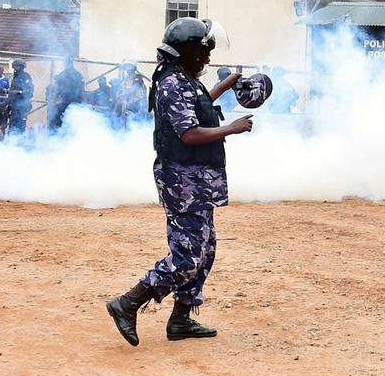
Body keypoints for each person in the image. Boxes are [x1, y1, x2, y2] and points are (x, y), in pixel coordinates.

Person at [106, 18, 254, 346]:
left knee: (206, 250)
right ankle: (127, 303)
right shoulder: (172, 82)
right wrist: (232, 127)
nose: (207, 60)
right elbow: (188, 132)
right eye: (202, 53)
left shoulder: (183, 78)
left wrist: (225, 86)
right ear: (187, 51)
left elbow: (197, 106)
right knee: (187, 254)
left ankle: (181, 319)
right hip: (182, 180)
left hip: (196, 178)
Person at [49, 56, 86, 130]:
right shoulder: (77, 75)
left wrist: (54, 101)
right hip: (71, 103)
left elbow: (57, 90)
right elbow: (82, 91)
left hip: (69, 103)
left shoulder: (66, 75)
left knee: (64, 123)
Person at [112, 62, 148, 128]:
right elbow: (120, 91)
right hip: (125, 108)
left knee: (133, 127)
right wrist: (120, 99)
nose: (126, 69)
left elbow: (140, 95)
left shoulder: (138, 79)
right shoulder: (126, 79)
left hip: (135, 109)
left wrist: (129, 103)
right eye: (126, 68)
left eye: (128, 67)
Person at [7, 59, 35, 135]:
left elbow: (29, 91)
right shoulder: (15, 77)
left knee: (20, 125)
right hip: (14, 105)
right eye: (14, 67)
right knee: (12, 125)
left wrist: (18, 92)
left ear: (22, 67)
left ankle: (20, 142)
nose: (15, 69)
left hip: (22, 106)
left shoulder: (26, 76)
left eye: (17, 67)